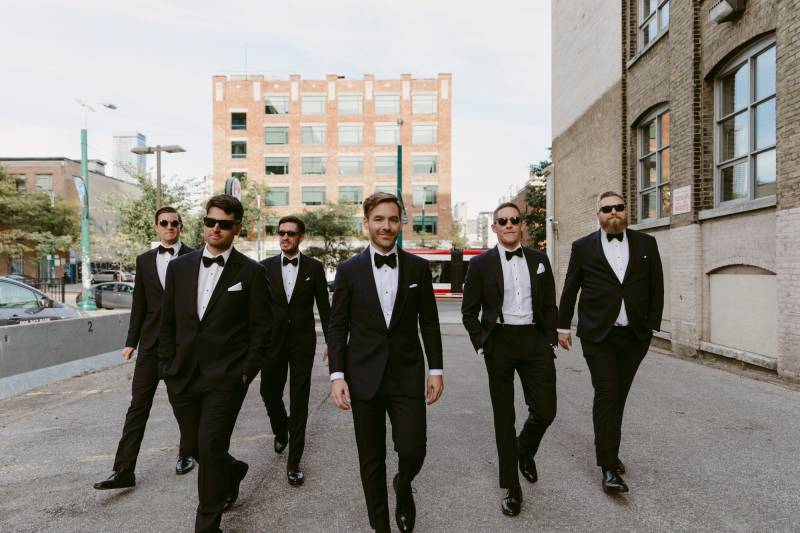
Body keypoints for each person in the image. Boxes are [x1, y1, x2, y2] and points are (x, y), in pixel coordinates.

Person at [328, 192, 443, 533]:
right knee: (371, 460)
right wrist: (337, 374)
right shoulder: (348, 270)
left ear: (401, 223)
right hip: (363, 376)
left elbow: (430, 323)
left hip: (407, 375)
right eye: (378, 219)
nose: (386, 226)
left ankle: (404, 485)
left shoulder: (419, 268)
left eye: (393, 219)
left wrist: (436, 369)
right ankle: (381, 527)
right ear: (366, 224)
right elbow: (337, 326)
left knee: (413, 449)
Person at [159, 194, 272, 532]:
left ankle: (207, 526)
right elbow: (167, 322)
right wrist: (166, 366)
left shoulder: (251, 272)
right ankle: (233, 469)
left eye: (224, 224)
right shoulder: (179, 267)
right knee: (195, 447)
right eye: (211, 222)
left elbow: (262, 330)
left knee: (210, 447)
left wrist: (245, 372)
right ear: (204, 223)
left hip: (226, 377)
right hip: (182, 374)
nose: (216, 229)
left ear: (237, 227)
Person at [557, 191, 663, 494]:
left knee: (618, 397)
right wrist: (562, 326)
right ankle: (608, 468)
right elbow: (571, 287)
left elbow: (657, 286)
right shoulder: (583, 247)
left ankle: (609, 451)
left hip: (634, 336)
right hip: (597, 335)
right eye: (607, 209)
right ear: (599, 215)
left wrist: (651, 328)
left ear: (626, 211)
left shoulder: (646, 243)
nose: (613, 212)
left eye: (619, 207)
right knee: (607, 393)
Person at [461, 202, 558, 517]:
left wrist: (549, 339)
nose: (509, 225)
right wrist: (481, 344)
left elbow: (548, 305)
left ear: (521, 225)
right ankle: (511, 487)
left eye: (514, 220)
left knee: (545, 410)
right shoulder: (480, 265)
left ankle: (524, 449)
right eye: (502, 221)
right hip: (499, 342)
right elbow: (468, 311)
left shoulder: (540, 260)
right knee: (504, 417)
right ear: (494, 228)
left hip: (534, 340)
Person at [94, 207, 195, 491]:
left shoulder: (195, 257)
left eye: (175, 223)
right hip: (150, 346)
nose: (169, 227)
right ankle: (124, 470)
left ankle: (187, 453)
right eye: (164, 223)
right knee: (137, 407)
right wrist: (131, 341)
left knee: (183, 406)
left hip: (181, 347)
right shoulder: (144, 260)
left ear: (181, 227)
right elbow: (139, 303)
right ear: (156, 227)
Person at [260, 215, 330, 486]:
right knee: (269, 391)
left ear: (301, 237)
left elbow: (325, 308)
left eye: (291, 233)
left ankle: (294, 462)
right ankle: (281, 429)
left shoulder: (315, 267)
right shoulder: (263, 268)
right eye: (281, 233)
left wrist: (333, 345)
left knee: (299, 400)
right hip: (272, 343)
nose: (285, 237)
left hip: (302, 343)